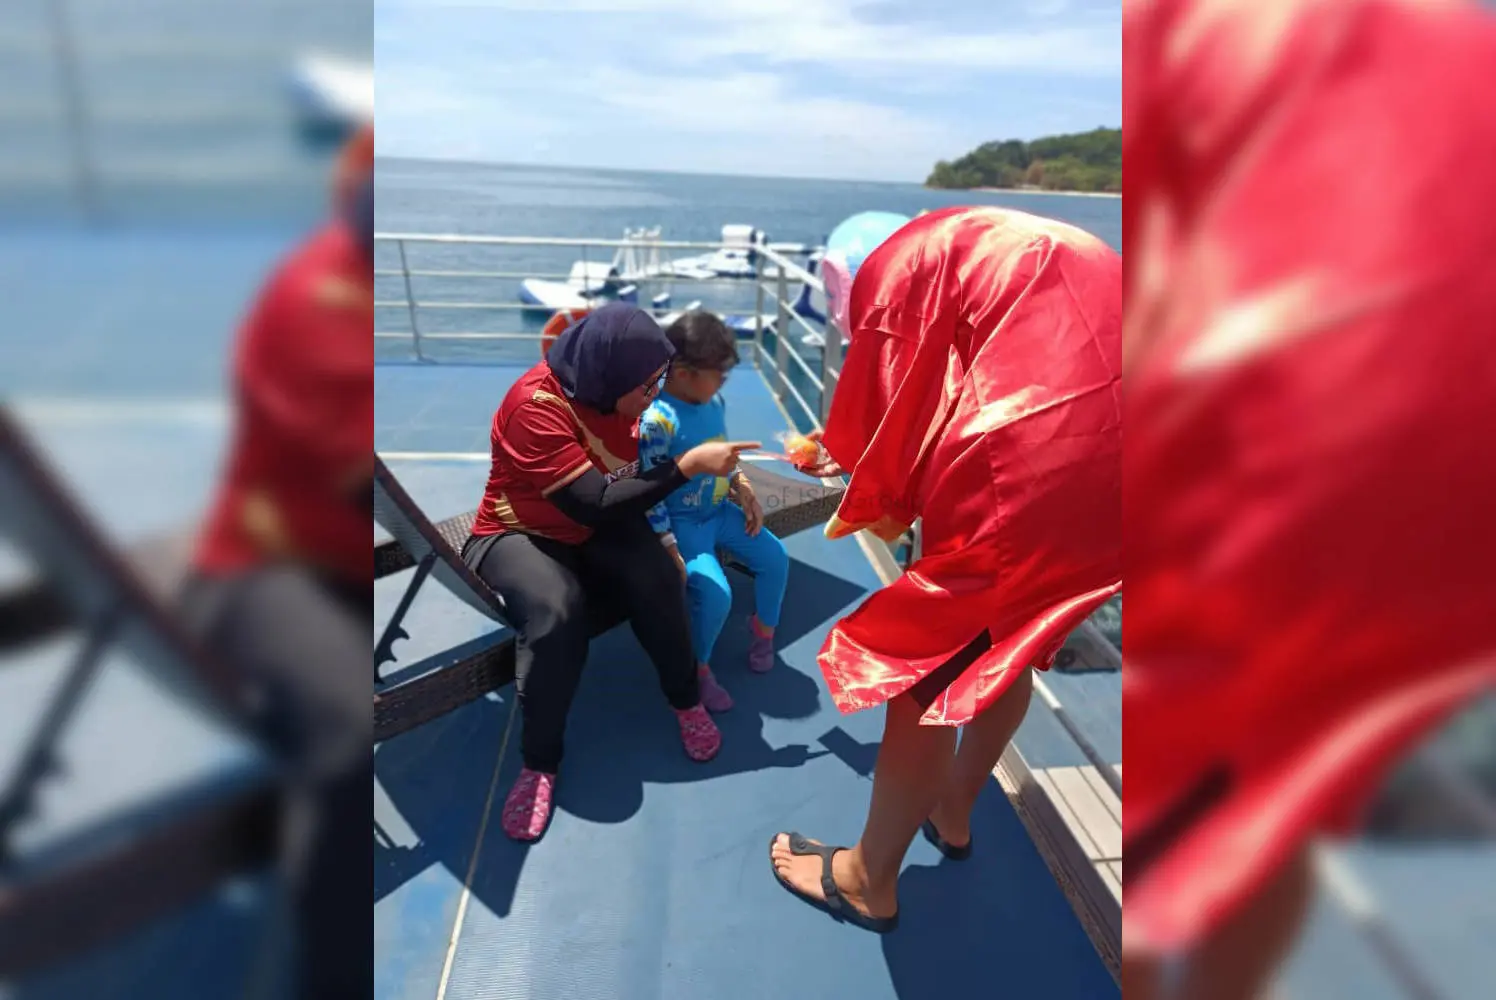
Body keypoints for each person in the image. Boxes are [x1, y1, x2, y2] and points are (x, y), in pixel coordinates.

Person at [1122, 1, 1496, 997]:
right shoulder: (1449, 56)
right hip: (1415, 514)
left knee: (1186, 795)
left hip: (1277, 490)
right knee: (1273, 801)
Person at [767, 206, 1122, 932]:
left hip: (1036, 462)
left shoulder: (897, 268)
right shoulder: (987, 244)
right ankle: (953, 805)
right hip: (1132, 450)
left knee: (921, 672)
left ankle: (868, 880)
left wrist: (849, 457)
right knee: (1006, 642)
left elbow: (888, 395)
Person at [181, 124, 374, 998]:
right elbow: (354, 480)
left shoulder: (349, 286)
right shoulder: (317, 298)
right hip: (263, 563)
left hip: (326, 551)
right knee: (349, 735)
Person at [459, 302, 760, 842]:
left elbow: (650, 467)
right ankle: (540, 761)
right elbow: (593, 502)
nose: (655, 395)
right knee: (557, 613)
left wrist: (732, 484)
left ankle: (685, 698)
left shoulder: (627, 395)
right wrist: (686, 468)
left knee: (661, 578)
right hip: (520, 530)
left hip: (595, 520)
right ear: (609, 377)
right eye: (647, 386)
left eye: (660, 381)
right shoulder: (536, 407)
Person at [638, 311, 790, 712]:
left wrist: (744, 488)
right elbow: (649, 493)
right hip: (683, 525)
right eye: (718, 374)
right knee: (717, 594)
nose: (724, 382)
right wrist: (669, 547)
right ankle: (699, 667)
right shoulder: (657, 423)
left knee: (775, 558)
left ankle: (762, 629)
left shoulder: (713, 401)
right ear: (683, 373)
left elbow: (725, 455)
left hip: (719, 510)